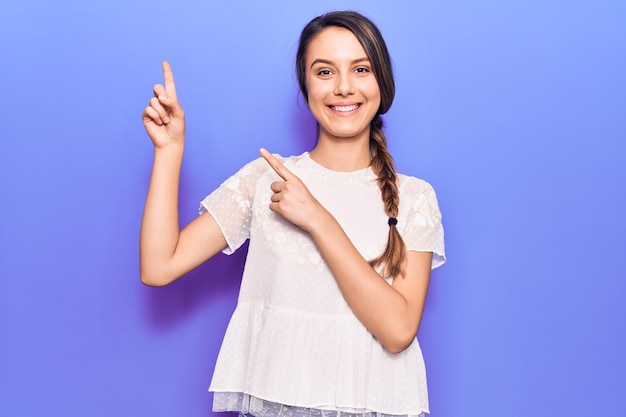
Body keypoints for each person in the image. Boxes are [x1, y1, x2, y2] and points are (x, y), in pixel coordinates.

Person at [140, 10, 445, 417]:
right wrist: (168, 151)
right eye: (324, 72)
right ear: (305, 85)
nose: (343, 87)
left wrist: (317, 218)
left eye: (360, 69)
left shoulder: (415, 197)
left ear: (381, 82)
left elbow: (398, 331)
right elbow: (159, 266)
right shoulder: (266, 180)